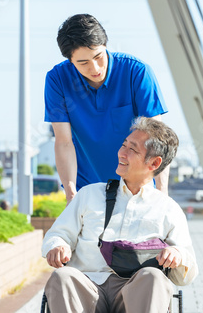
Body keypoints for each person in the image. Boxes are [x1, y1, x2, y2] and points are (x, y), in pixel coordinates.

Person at [42, 117, 198, 312]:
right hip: (86, 287)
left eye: (132, 149)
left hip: (135, 293)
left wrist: (177, 254)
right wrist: (58, 246)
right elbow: (58, 234)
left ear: (154, 163)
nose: (121, 153)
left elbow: (188, 271)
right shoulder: (89, 194)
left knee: (153, 276)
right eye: (124, 145)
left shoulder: (168, 208)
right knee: (62, 277)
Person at [44, 14, 169, 204]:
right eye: (83, 63)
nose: (95, 68)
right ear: (70, 60)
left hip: (138, 190)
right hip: (86, 191)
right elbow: (63, 142)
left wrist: (161, 194)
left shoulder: (137, 72)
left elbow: (156, 140)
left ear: (105, 46)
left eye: (98, 57)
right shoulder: (57, 80)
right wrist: (71, 195)